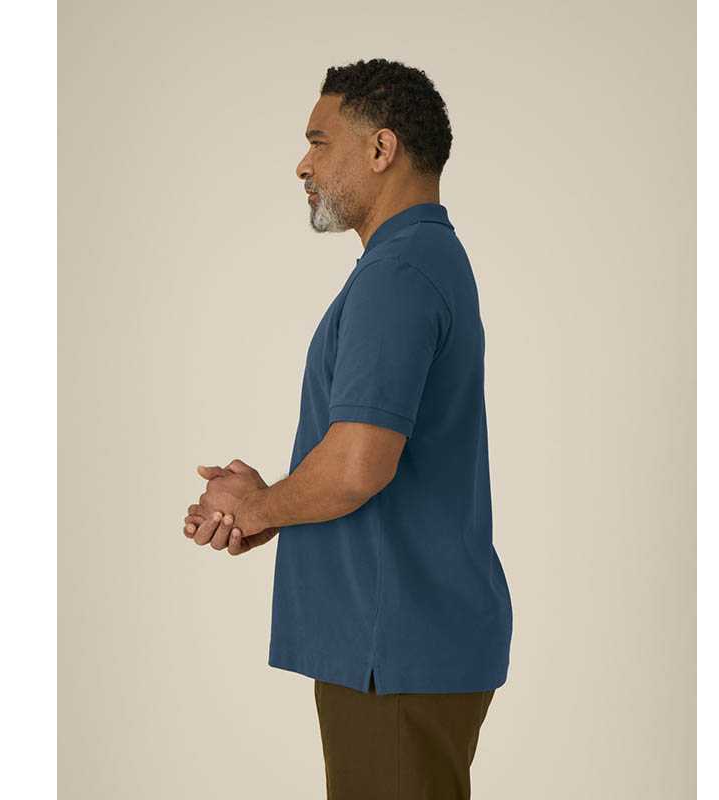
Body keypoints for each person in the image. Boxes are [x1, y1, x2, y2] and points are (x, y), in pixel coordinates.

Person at [182, 58, 513, 800]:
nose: (303, 165)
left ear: (381, 148)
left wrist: (256, 507)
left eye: (318, 141)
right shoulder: (418, 260)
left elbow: (359, 466)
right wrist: (273, 504)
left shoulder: (399, 274)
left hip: (392, 652)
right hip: (401, 645)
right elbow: (362, 459)